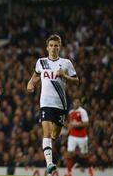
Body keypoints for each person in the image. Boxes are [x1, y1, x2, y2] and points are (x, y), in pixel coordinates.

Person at [27, 34, 79, 175]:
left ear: (59, 47)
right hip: (46, 102)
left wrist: (65, 76)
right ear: (47, 47)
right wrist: (30, 82)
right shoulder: (41, 62)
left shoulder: (66, 63)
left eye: (56, 45)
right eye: (51, 45)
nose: (54, 48)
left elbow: (76, 81)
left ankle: (54, 143)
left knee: (55, 135)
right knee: (47, 133)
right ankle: (50, 163)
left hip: (61, 105)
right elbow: (36, 75)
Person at [66, 98, 93, 176]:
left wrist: (77, 124)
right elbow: (70, 123)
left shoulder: (83, 111)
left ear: (80, 104)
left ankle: (90, 168)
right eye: (74, 102)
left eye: (77, 102)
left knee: (84, 154)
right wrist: (68, 127)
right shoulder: (70, 112)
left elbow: (86, 123)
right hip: (72, 136)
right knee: (69, 153)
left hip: (82, 136)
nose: (76, 104)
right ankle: (69, 172)